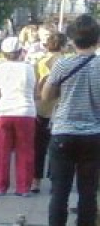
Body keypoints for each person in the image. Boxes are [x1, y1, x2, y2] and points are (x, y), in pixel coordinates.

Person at [39, 14, 100, 226]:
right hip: (94, 134)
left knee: (59, 191)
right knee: (88, 191)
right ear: (97, 40)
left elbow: (47, 97)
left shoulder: (62, 64)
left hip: (64, 132)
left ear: (72, 40)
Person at [0, 37, 37, 196]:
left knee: (1, 151)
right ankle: (23, 187)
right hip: (25, 112)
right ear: (20, 52)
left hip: (3, 112)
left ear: (3, 53)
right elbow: (35, 92)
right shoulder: (29, 68)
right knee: (25, 151)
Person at [31, 31, 68, 193]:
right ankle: (55, 180)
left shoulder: (39, 62)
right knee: (58, 148)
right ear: (64, 46)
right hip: (59, 108)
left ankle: (35, 181)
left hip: (40, 107)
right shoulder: (65, 62)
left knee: (38, 147)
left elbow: (34, 85)